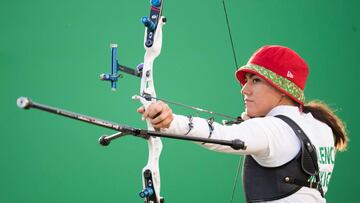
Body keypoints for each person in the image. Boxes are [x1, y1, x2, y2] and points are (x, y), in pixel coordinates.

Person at [137, 45, 348, 202]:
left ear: (283, 88)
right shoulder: (321, 126)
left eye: (256, 81)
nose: (245, 90)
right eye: (246, 80)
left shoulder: (272, 129)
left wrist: (170, 121)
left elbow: (221, 135)